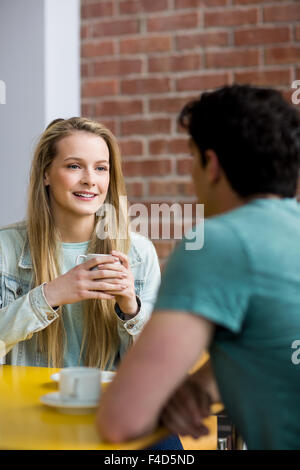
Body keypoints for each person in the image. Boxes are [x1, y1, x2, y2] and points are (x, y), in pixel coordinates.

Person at [96, 84, 300, 450]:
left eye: (192, 158)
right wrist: (205, 380)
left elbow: (121, 420)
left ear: (213, 165)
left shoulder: (219, 243)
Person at [0, 117, 161, 370]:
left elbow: (157, 365)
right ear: (46, 174)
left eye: (100, 168)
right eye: (74, 166)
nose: (90, 179)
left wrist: (131, 308)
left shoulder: (139, 253)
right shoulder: (5, 249)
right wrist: (49, 295)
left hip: (106, 407)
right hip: (24, 406)